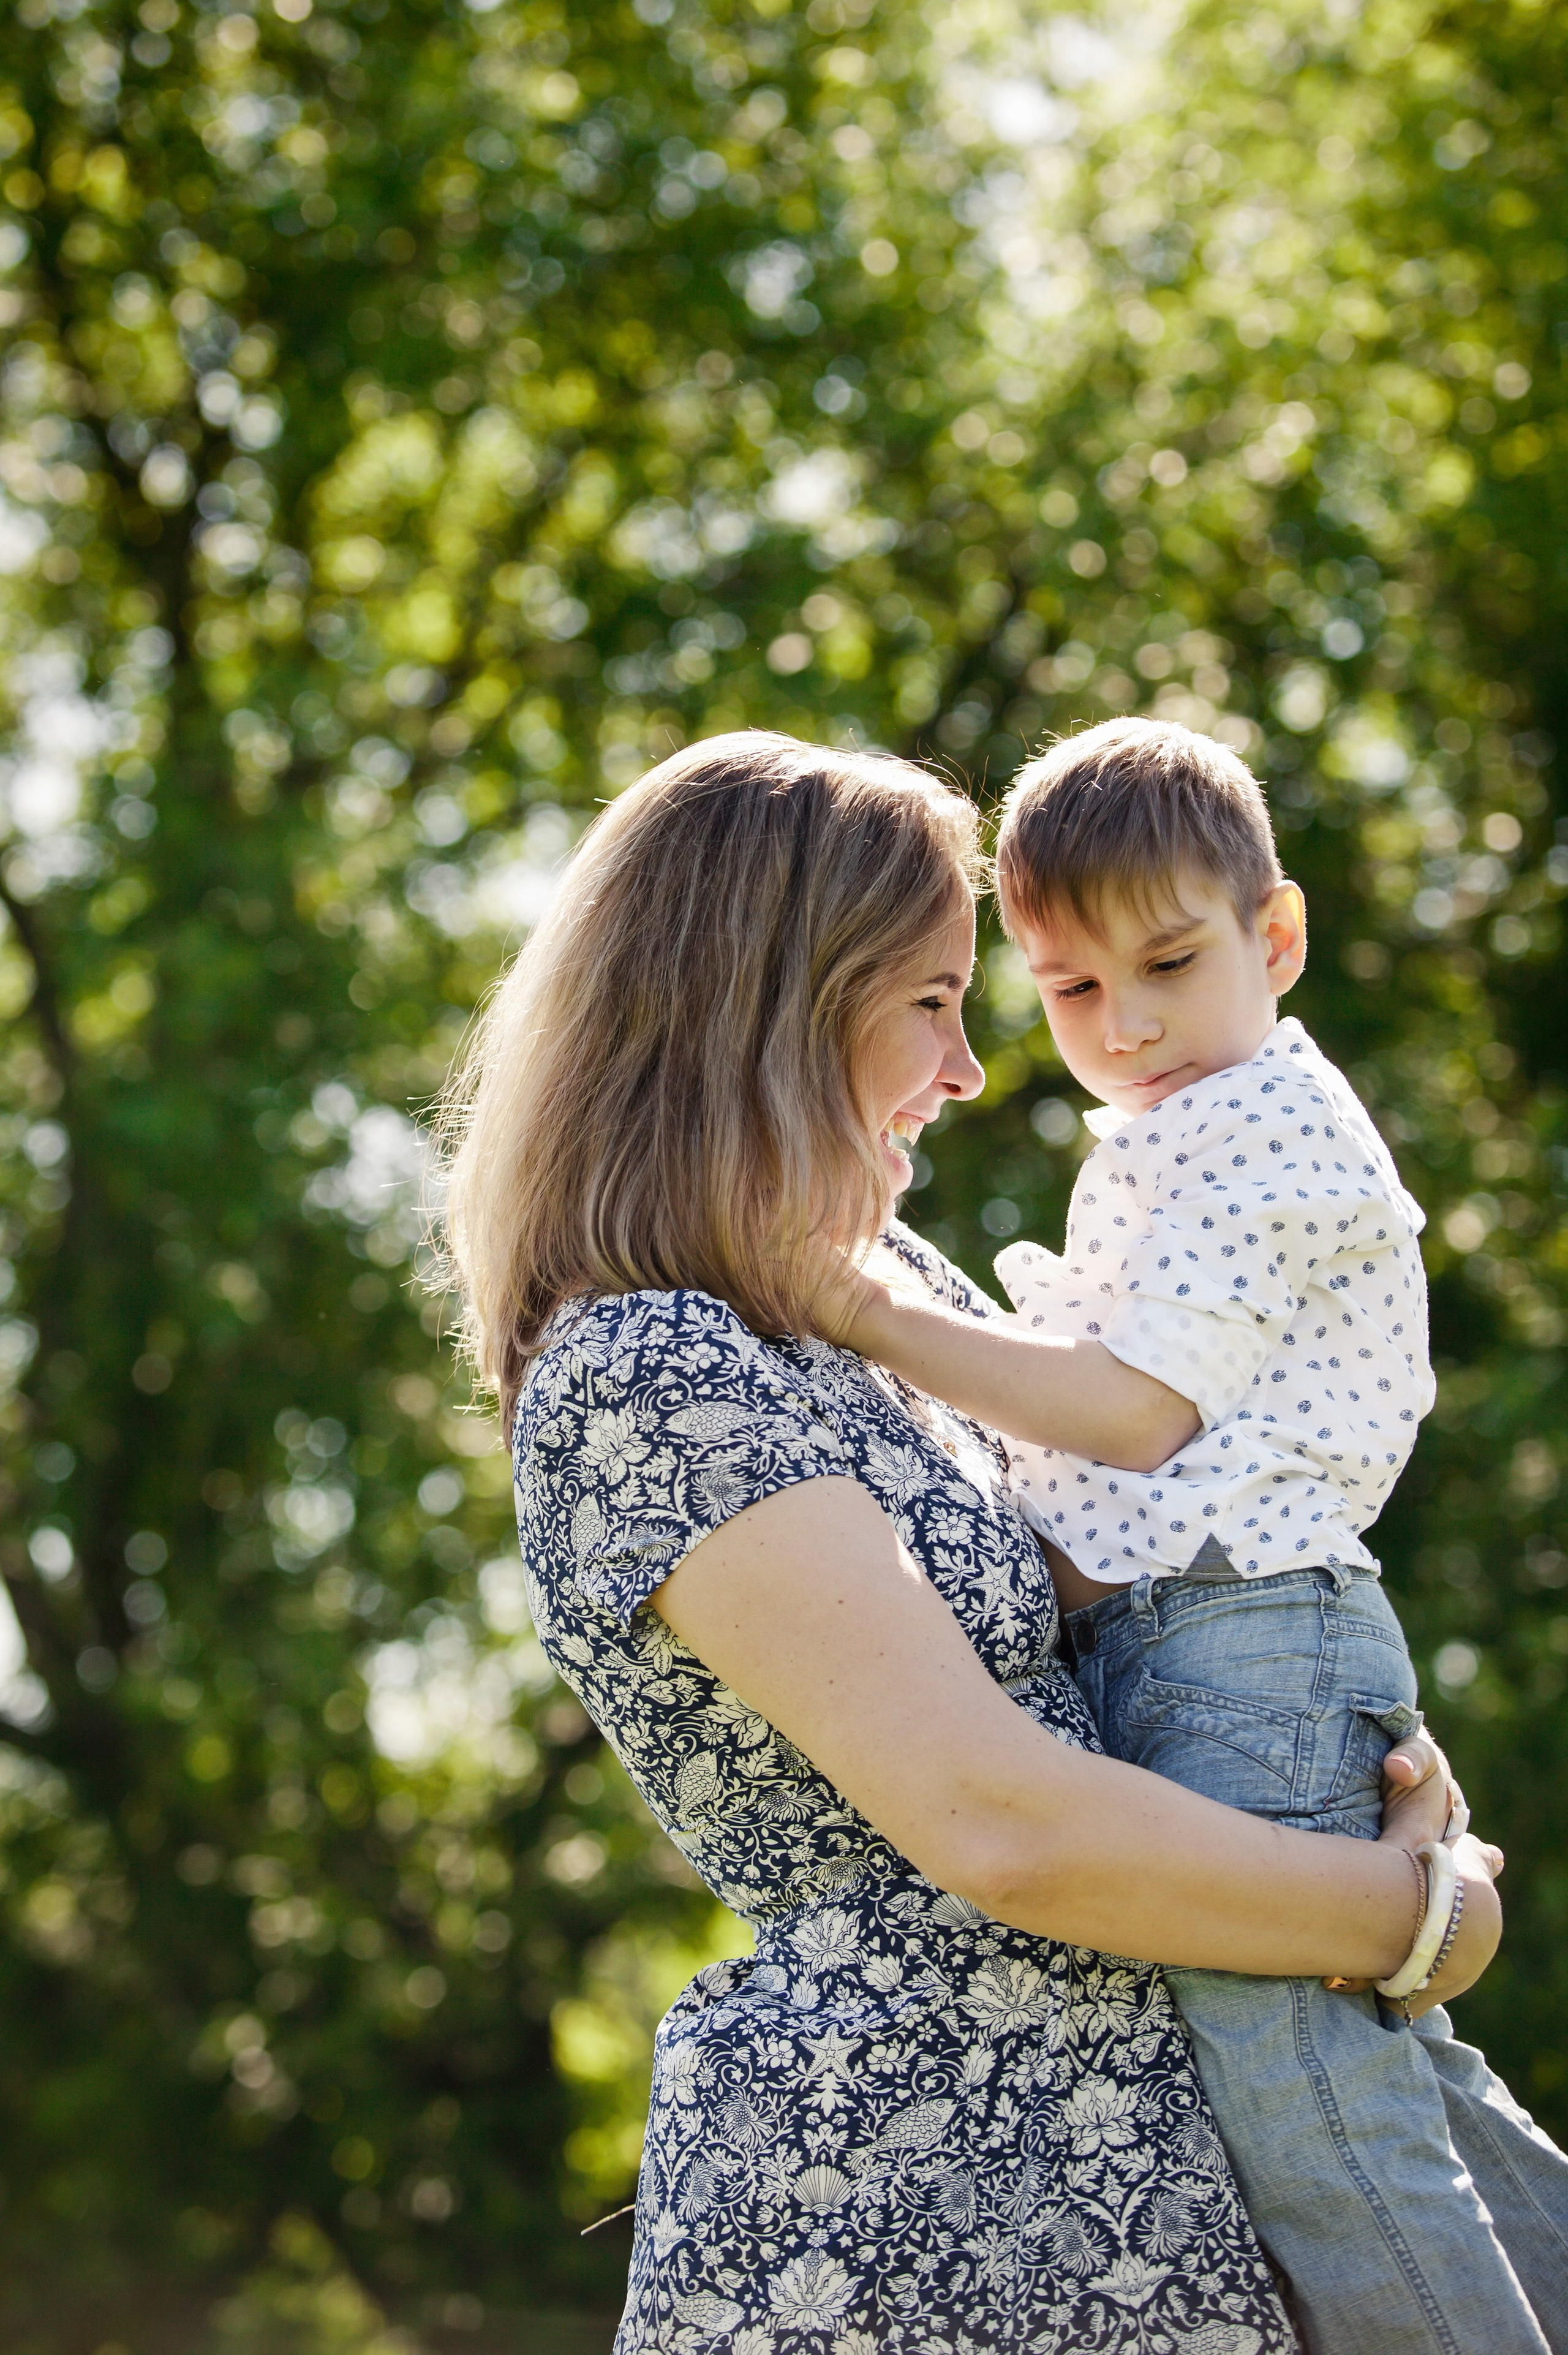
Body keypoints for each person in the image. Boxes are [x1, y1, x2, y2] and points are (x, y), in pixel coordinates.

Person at [436, 729, 1500, 2355]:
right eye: (935, 1000)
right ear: (779, 1004)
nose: (975, 1065)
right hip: (940, 2207)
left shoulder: (895, 1297)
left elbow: (1141, 1580)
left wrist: (1367, 1751)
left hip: (1177, 2146)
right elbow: (1004, 1822)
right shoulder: (649, 1365)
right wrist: (1419, 1912)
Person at [840, 717, 1568, 2354]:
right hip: (1221, 1638)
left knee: (1315, 2118)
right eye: (1076, 991)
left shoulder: (1268, 1136)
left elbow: (1133, 1413)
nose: (1132, 1024)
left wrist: (861, 1308)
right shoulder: (1184, 1132)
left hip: (1242, 1641)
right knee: (1402, 2090)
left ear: (1278, 937)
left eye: (1169, 961)